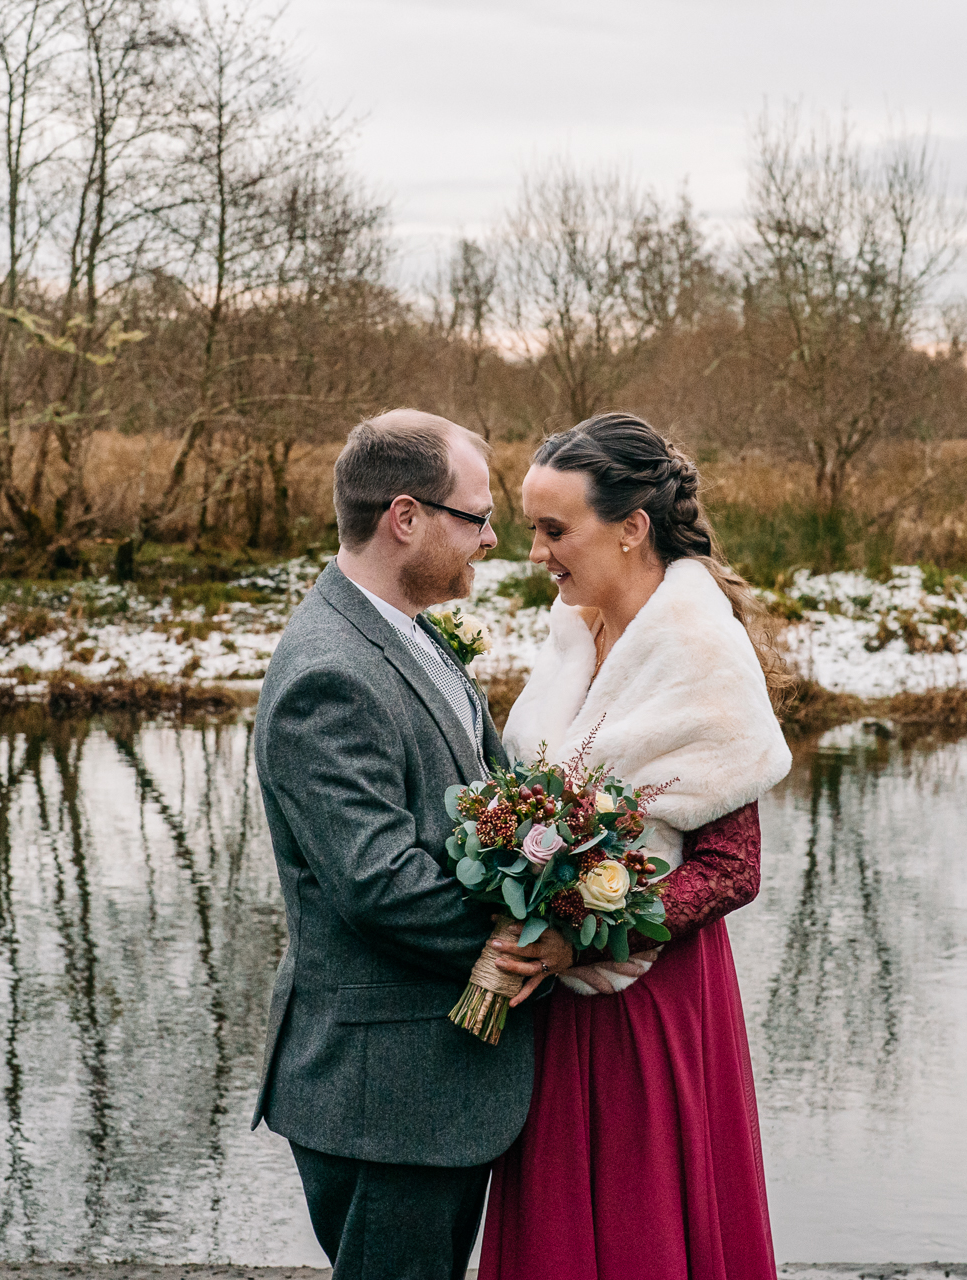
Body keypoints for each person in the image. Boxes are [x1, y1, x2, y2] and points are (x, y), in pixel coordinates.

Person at [252, 409, 575, 1280]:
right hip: (387, 1089)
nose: (493, 538)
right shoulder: (330, 674)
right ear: (406, 517)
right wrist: (523, 941)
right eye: (475, 517)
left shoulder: (408, 633)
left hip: (420, 1083)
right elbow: (378, 881)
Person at [478, 411, 794, 1280]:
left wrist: (582, 930)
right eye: (533, 527)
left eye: (553, 529)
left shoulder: (701, 652)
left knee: (640, 1225)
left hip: (651, 1002)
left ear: (630, 529)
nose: (536, 552)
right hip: (557, 1003)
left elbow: (733, 869)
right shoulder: (571, 634)